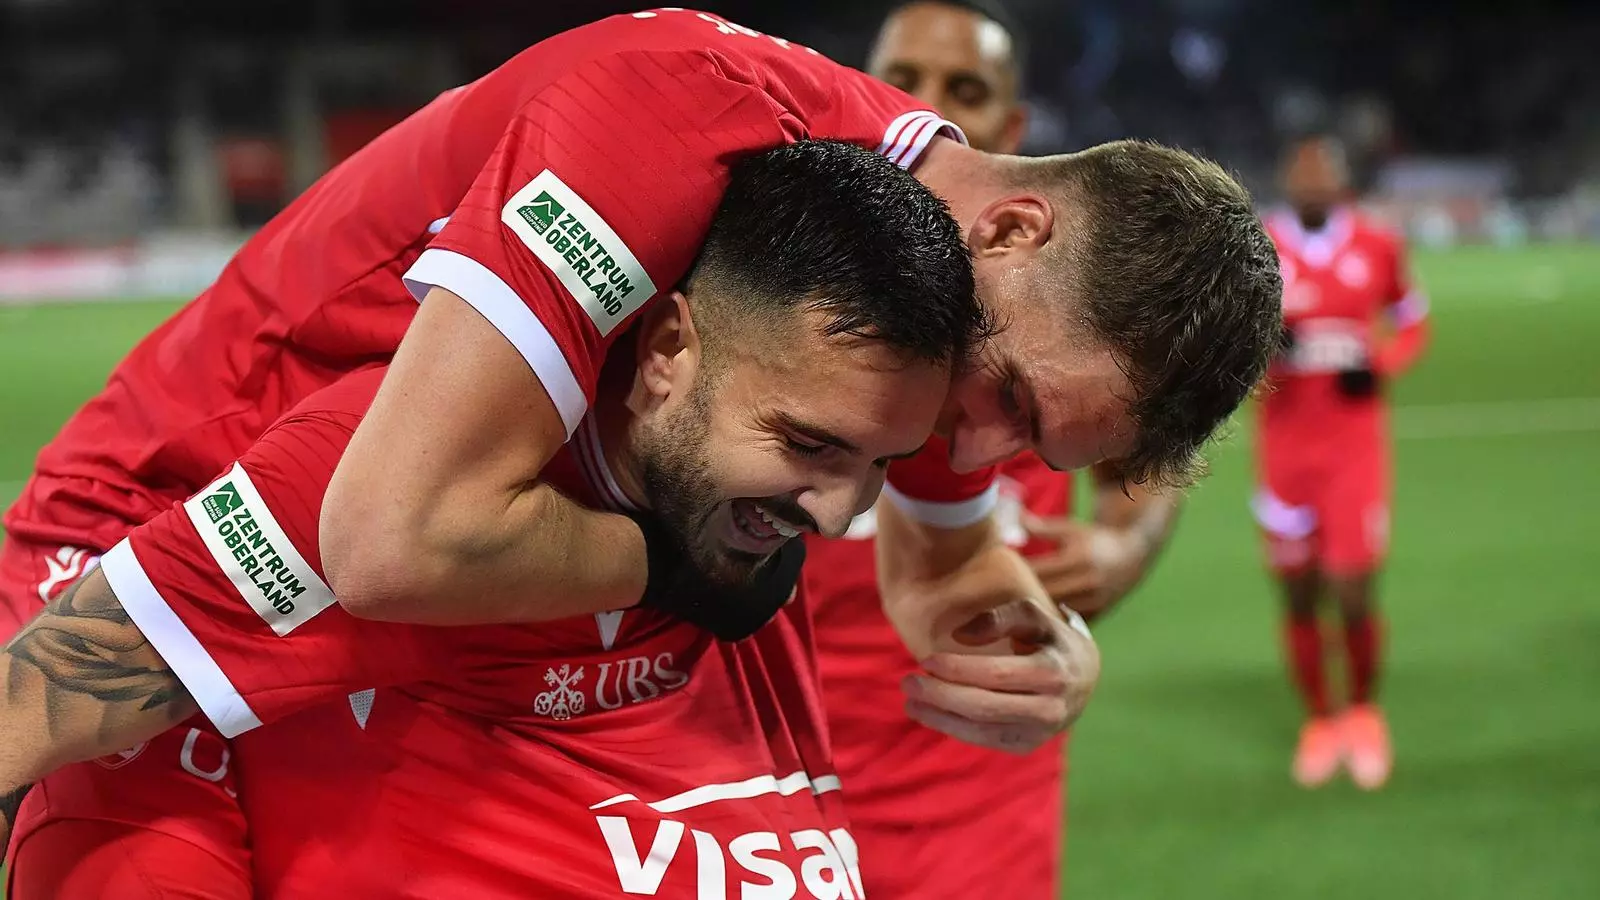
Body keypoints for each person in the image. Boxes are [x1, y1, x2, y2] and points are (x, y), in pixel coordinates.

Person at [0, 5, 1282, 890]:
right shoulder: (674, 120)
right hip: (199, 529)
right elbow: (390, 537)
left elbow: (944, 573)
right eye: (1013, 398)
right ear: (1009, 231)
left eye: (1036, 451)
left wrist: (1043, 656)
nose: (980, 445)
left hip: (459, 580)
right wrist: (687, 571)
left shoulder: (925, 323)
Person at [1, 139, 1000, 896]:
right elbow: (38, 702)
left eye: (883, 464)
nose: (839, 512)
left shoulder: (741, 530)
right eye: (809, 446)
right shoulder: (388, 492)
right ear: (664, 351)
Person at [805, 3, 1180, 896]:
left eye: (962, 89)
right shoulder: (764, 265)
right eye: (904, 79)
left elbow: (1147, 445)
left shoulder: (1056, 299)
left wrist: (1130, 544)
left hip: (972, 767)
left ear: (1011, 133)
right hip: (768, 745)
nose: (925, 106)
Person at [1256, 133, 1428, 790]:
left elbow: (1412, 322)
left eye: (1322, 175)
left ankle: (1361, 711)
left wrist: (1380, 364)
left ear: (1341, 183)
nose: (1311, 186)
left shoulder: (1379, 246)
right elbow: (1227, 347)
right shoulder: (1260, 250)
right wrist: (1268, 345)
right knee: (1299, 593)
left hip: (1355, 448)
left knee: (1353, 589)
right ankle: (1320, 720)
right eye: (1300, 175)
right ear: (1287, 182)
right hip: (1285, 453)